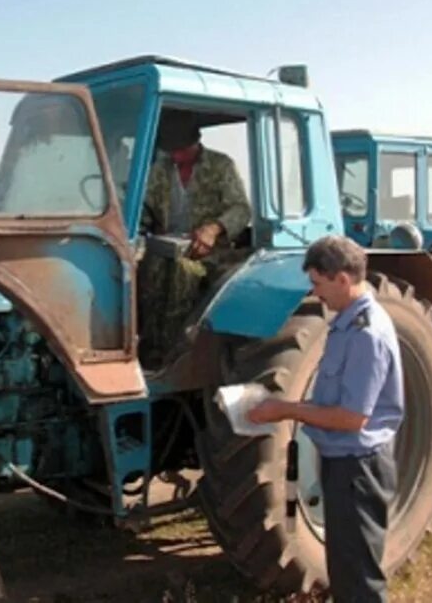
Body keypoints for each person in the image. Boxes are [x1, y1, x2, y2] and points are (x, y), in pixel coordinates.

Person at [246, 235, 403, 602]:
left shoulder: (367, 334)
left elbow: (352, 418)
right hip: (342, 463)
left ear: (342, 280)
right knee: (345, 571)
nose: (316, 294)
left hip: (359, 469)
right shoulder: (345, 324)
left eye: (318, 283)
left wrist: (285, 409)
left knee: (361, 578)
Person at [138, 111, 251, 365]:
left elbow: (241, 209)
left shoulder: (221, 166)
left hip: (210, 251)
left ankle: (178, 354)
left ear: (194, 143)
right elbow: (145, 207)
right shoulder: (160, 169)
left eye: (180, 149)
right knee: (141, 268)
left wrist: (213, 229)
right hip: (167, 245)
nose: (175, 156)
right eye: (171, 150)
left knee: (183, 272)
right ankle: (148, 349)